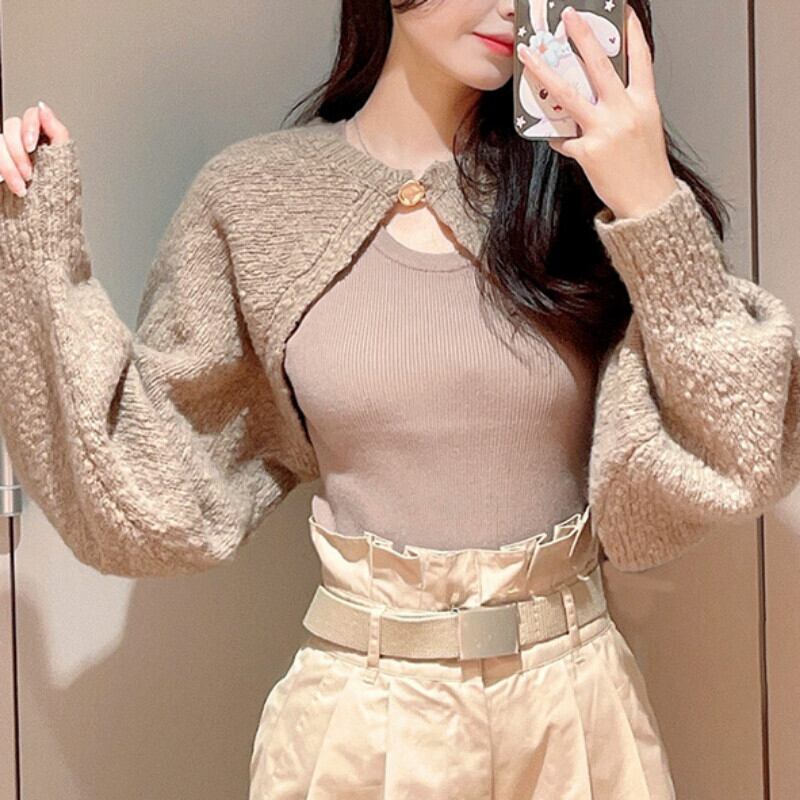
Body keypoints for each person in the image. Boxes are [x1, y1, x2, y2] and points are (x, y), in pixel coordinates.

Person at [2, 1, 799, 797]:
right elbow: (145, 487)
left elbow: (745, 449)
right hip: (360, 727)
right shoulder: (256, 199)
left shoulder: (576, 191)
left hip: (577, 720)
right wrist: (30, 239)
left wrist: (649, 198)